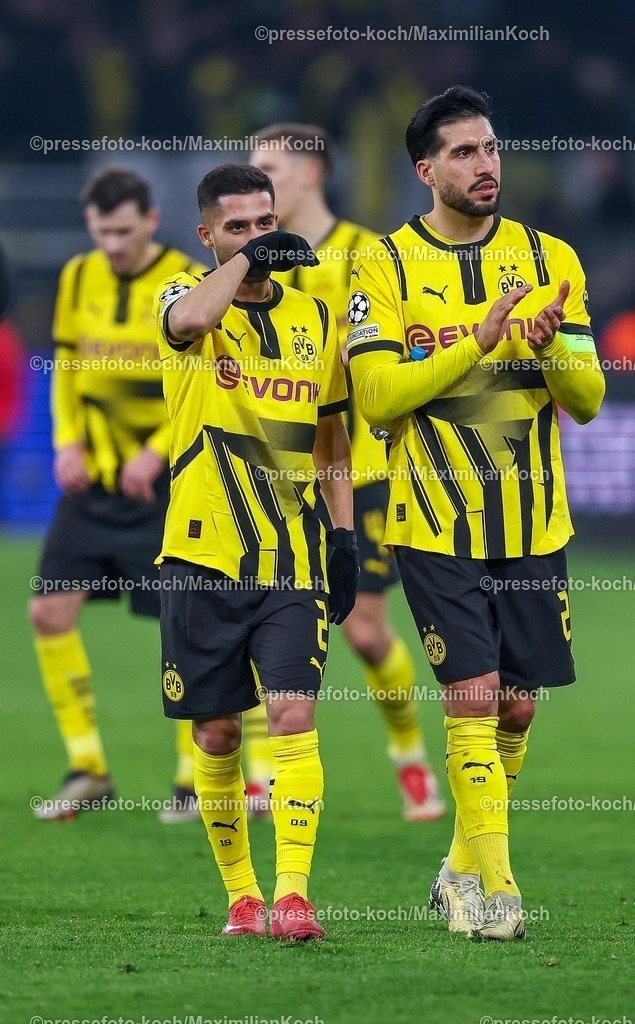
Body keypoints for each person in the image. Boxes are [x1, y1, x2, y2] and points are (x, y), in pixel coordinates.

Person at [348, 86, 605, 940]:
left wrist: (545, 349)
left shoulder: (549, 257)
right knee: (472, 695)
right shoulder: (381, 267)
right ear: (425, 171)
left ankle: (456, 866)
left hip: (532, 525)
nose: (485, 163)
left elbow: (589, 400)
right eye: (462, 152)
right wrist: (478, 340)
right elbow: (379, 397)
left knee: (517, 708)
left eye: (490, 148)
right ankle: (497, 893)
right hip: (433, 524)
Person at [153, 163, 358, 940]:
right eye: (235, 227)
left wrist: (343, 537)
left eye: (264, 222)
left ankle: (294, 895)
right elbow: (193, 322)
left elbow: (332, 438)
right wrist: (249, 261)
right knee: (217, 734)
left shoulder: (315, 318)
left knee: (292, 715)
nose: (255, 237)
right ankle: (240, 895)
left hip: (292, 561)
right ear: (206, 236)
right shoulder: (179, 292)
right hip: (201, 557)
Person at [248, 122, 444, 822]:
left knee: (363, 631)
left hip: (357, 474)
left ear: (310, 172)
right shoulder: (246, 262)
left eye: (268, 164)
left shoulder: (368, 254)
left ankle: (409, 757)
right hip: (268, 479)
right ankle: (262, 769)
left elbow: (410, 350)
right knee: (257, 618)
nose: (258, 177)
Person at [29, 168, 206, 821]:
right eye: (102, 232)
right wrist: (65, 442)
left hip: (162, 487)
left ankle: (193, 777)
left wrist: (155, 452)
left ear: (151, 221)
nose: (112, 245)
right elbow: (67, 366)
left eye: (124, 232)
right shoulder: (78, 276)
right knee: (49, 613)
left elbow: (198, 382)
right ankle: (88, 768)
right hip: (94, 481)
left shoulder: (187, 281)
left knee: (183, 625)